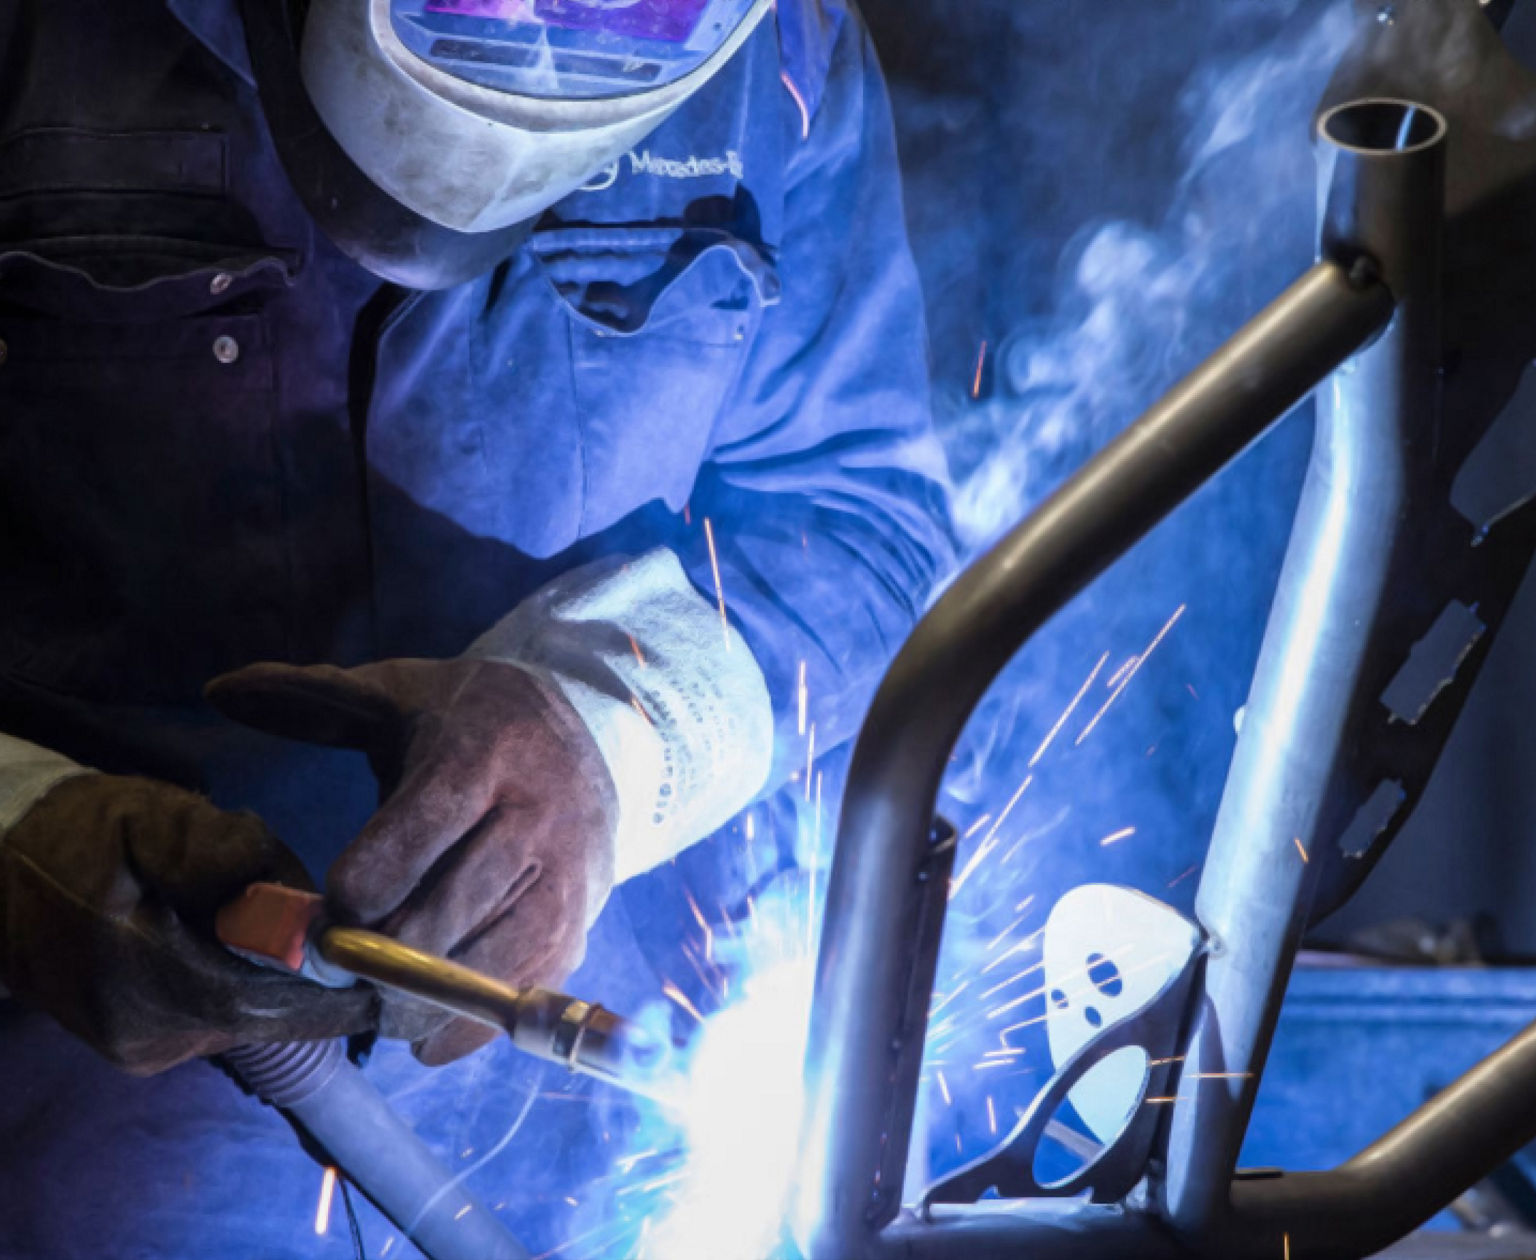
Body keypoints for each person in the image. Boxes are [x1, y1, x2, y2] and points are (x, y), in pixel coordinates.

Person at [0, 0, 953, 1251]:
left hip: (586, 1134)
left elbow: (862, 526)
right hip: (101, 1128)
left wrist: (611, 736)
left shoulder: (780, 52)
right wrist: (20, 828)